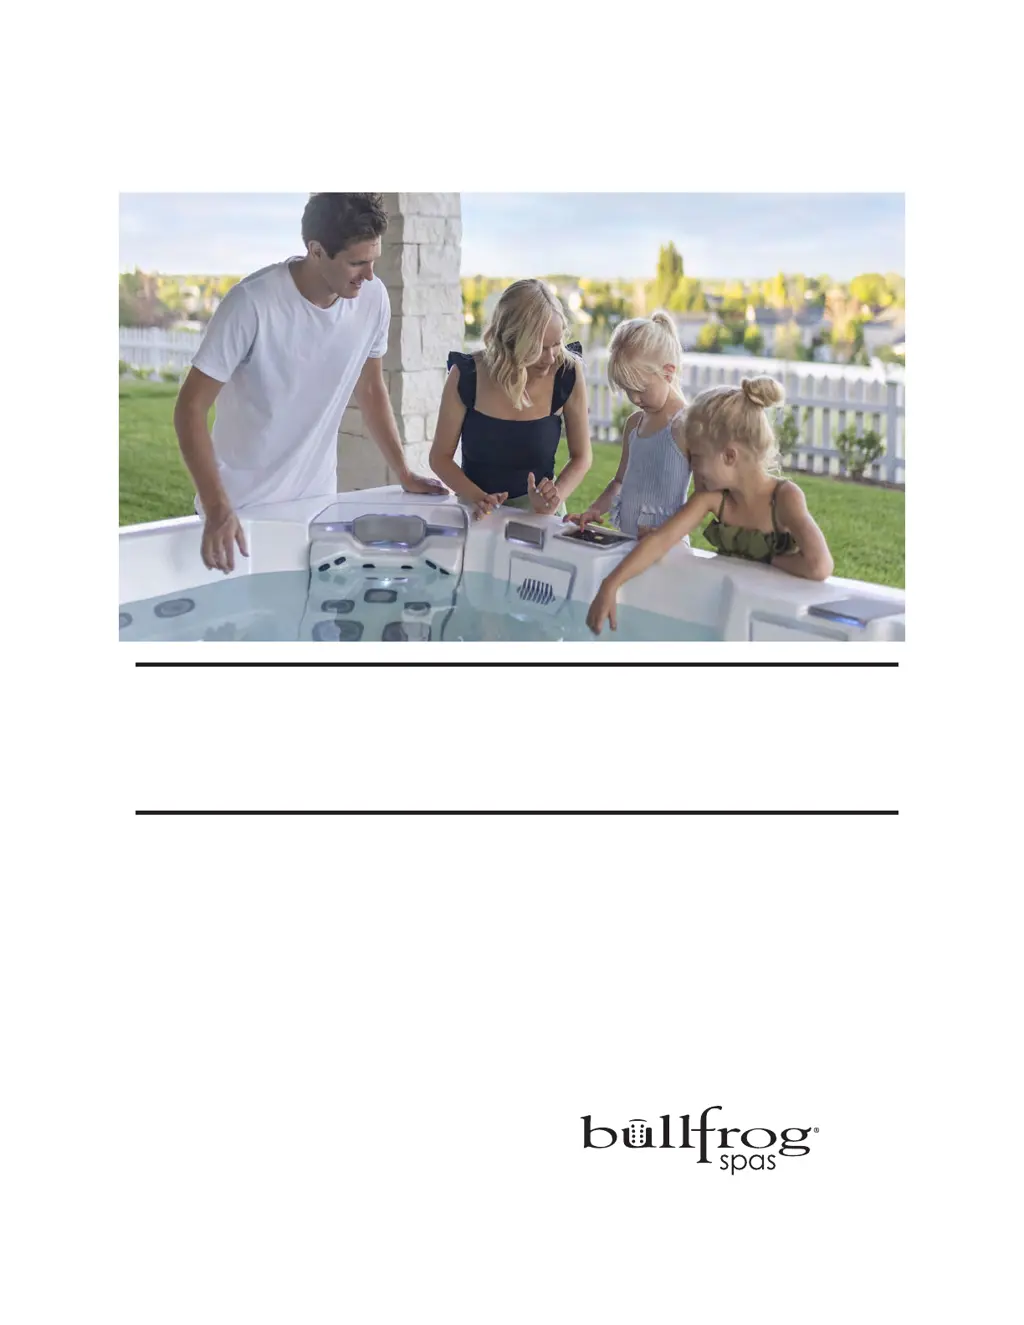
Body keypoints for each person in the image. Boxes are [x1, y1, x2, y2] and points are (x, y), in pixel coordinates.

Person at [173, 192, 446, 573]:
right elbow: (190, 408)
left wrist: (403, 471)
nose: (369, 275)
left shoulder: (373, 299)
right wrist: (218, 508)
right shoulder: (252, 304)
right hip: (238, 515)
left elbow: (370, 388)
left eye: (373, 261)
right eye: (357, 263)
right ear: (316, 251)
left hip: (315, 508)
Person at [585, 376, 835, 634]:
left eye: (697, 457)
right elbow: (659, 540)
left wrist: (768, 560)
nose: (692, 466)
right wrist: (610, 584)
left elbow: (819, 566)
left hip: (776, 619)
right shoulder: (714, 499)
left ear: (729, 456)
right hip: (732, 614)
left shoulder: (783, 498)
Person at [429, 279, 592, 520]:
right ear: (510, 341)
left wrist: (553, 498)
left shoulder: (567, 372)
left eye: (556, 344)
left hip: (540, 518)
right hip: (476, 514)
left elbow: (582, 457)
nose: (550, 358)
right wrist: (478, 498)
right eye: (539, 348)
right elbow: (440, 458)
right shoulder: (466, 376)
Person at [564, 312, 691, 540]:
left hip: (668, 547)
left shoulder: (685, 425)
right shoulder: (634, 424)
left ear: (668, 372)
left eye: (640, 389)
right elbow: (619, 482)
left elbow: (703, 499)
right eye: (627, 390)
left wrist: (669, 533)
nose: (634, 399)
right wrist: (594, 509)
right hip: (628, 541)